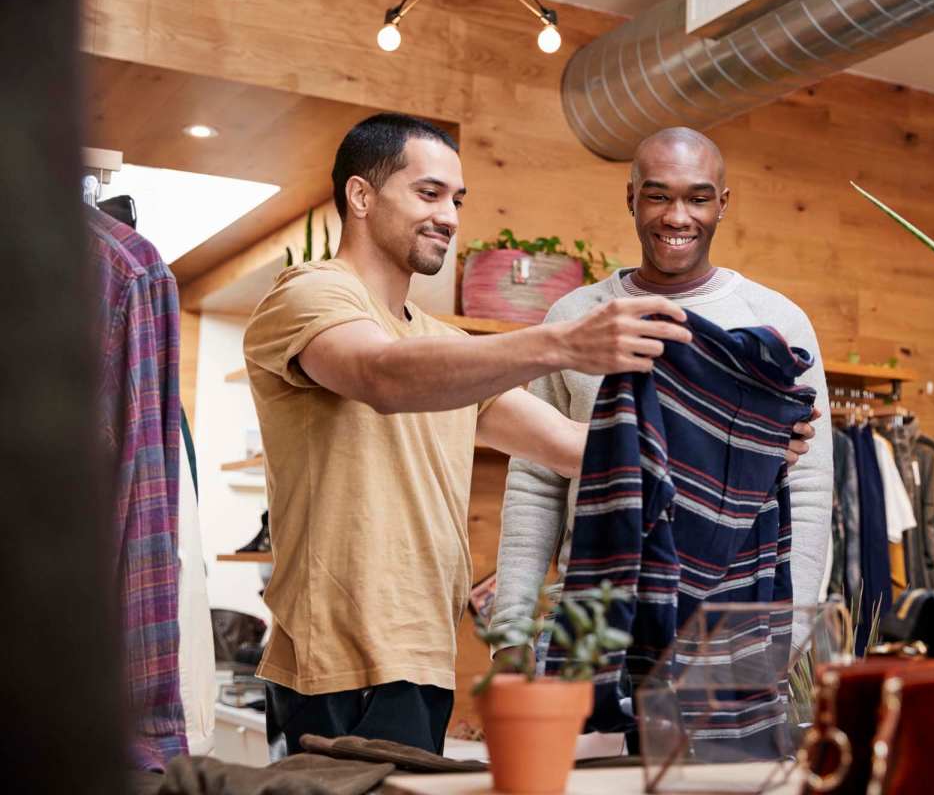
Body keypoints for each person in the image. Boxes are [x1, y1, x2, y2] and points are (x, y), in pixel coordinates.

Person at [242, 113, 698, 756]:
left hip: (424, 663)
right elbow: (379, 373)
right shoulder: (310, 294)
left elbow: (577, 450)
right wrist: (557, 343)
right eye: (429, 193)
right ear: (361, 196)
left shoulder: (445, 349)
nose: (451, 216)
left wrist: (740, 441)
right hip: (333, 667)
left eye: (457, 200)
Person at [490, 127, 832, 685]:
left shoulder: (776, 324)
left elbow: (811, 489)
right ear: (630, 198)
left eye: (698, 198)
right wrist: (510, 627)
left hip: (731, 624)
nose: (678, 216)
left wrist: (789, 634)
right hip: (591, 615)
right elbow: (535, 479)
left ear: (723, 204)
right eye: (658, 195)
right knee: (580, 775)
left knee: (719, 778)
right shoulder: (575, 318)